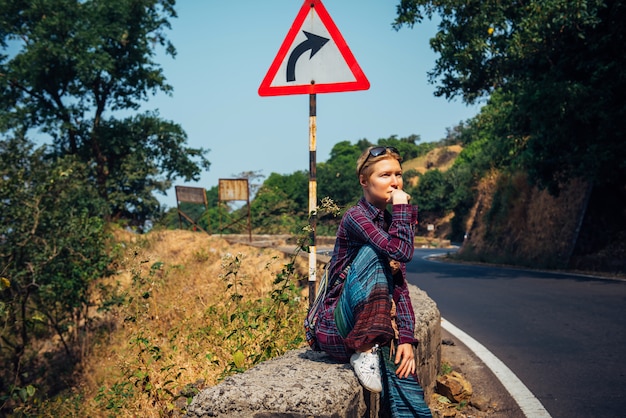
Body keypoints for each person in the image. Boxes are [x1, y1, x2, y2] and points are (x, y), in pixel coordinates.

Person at [315, 146, 431, 417]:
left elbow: (400, 285)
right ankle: (364, 351)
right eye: (385, 175)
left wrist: (406, 338)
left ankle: (373, 349)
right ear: (364, 181)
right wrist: (403, 208)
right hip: (336, 326)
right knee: (374, 253)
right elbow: (402, 251)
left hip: (368, 325)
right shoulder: (355, 216)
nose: (395, 182)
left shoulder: (389, 221)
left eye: (398, 174)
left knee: (405, 383)